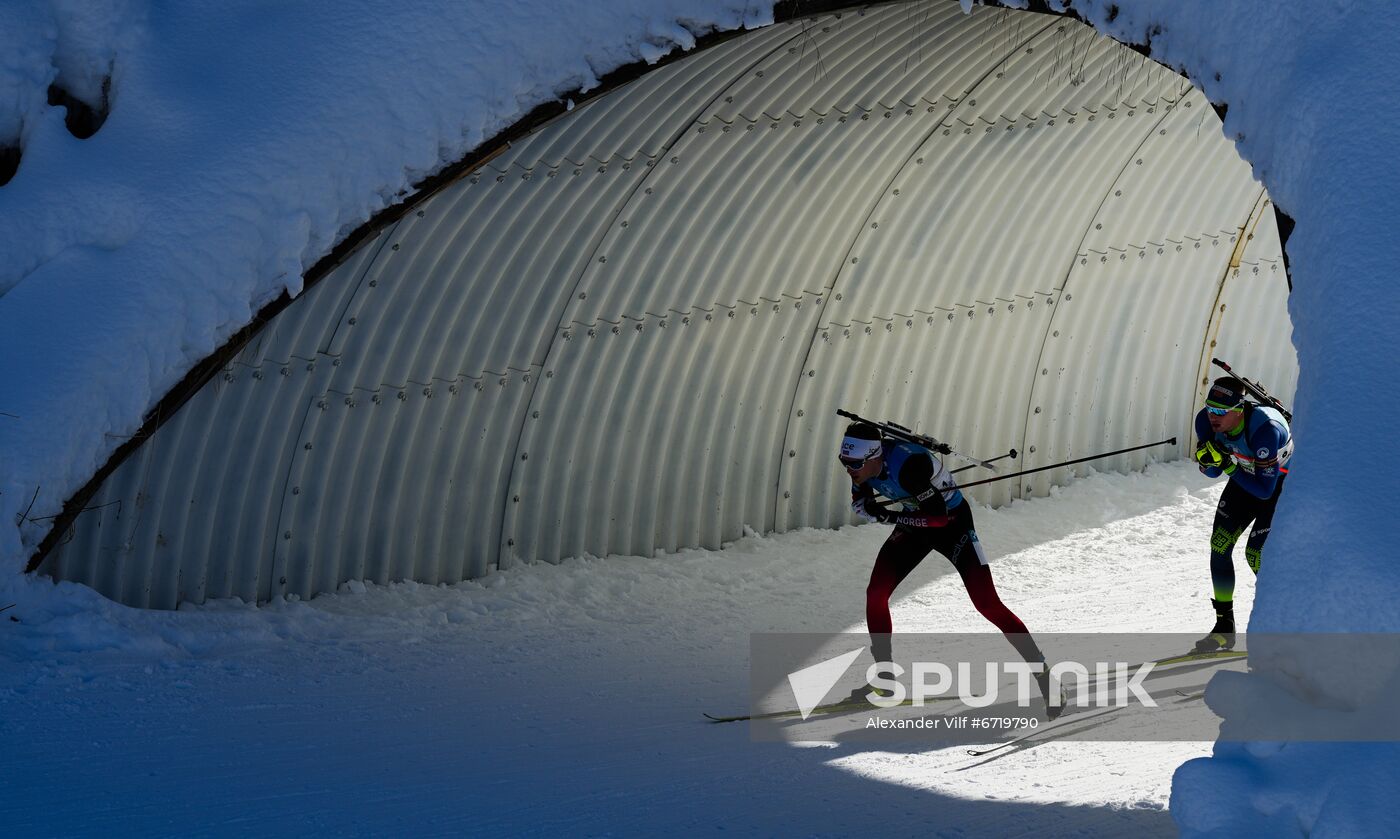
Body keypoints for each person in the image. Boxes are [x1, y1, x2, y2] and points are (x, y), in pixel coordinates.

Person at [838, 421, 1063, 719]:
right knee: (876, 593)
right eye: (844, 462)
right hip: (915, 522)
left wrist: (888, 516)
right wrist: (867, 506)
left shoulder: (910, 468)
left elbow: (938, 519)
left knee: (987, 604)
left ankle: (1045, 677)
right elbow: (861, 499)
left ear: (875, 455)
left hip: (951, 525)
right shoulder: (863, 467)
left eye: (854, 463)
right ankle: (885, 681)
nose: (849, 469)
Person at [1191, 376, 1294, 652]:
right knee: (1219, 545)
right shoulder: (1205, 421)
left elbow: (1264, 491)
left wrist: (1227, 465)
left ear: (1239, 409)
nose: (1214, 416)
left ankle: (1286, 623)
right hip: (1247, 478)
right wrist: (1212, 460)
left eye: (1222, 411)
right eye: (1211, 408)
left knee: (1257, 554)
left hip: (1281, 486)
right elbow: (1212, 471)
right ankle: (1224, 627)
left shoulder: (1265, 430)